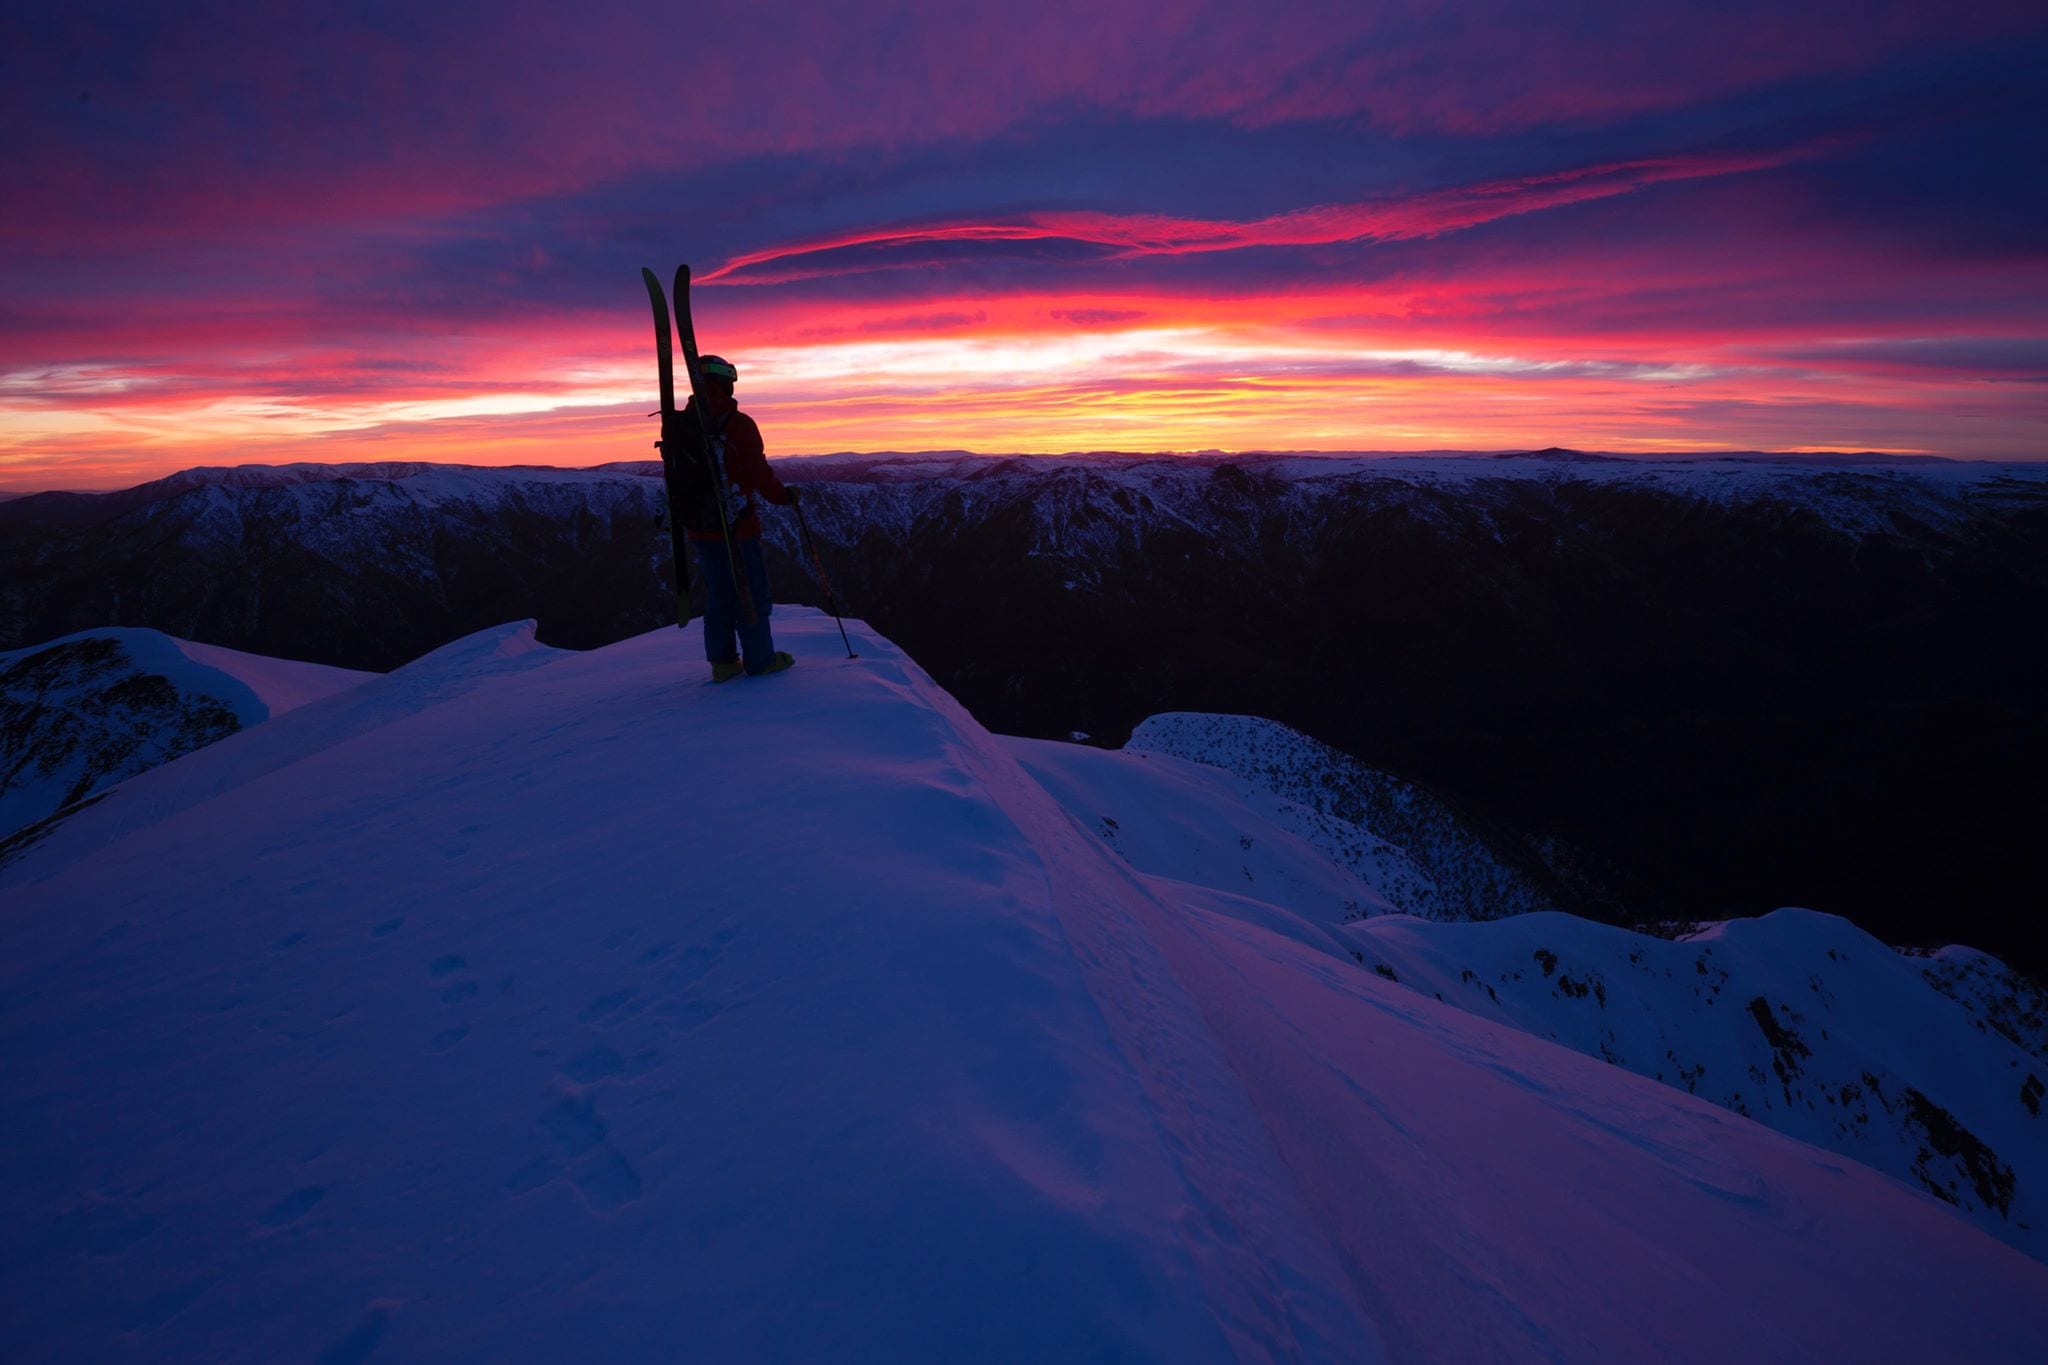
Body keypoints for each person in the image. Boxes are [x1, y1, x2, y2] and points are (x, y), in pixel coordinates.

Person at [682, 354, 798, 681]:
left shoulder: (684, 425)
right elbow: (759, 473)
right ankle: (760, 659)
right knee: (751, 591)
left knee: (719, 594)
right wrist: (784, 497)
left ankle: (722, 663)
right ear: (725, 383)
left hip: (700, 527)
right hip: (737, 527)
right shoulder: (737, 423)